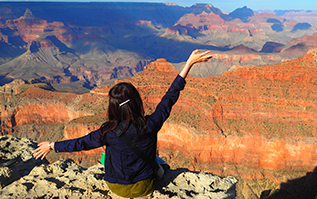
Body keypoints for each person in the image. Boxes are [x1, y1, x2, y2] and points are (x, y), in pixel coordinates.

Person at [33, 49, 212, 198]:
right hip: (144, 187)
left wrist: (51, 145)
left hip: (116, 187)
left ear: (113, 107)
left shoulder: (107, 131)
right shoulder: (151, 123)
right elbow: (170, 97)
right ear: (137, 102)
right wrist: (188, 64)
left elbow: (80, 143)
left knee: (105, 155)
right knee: (160, 163)